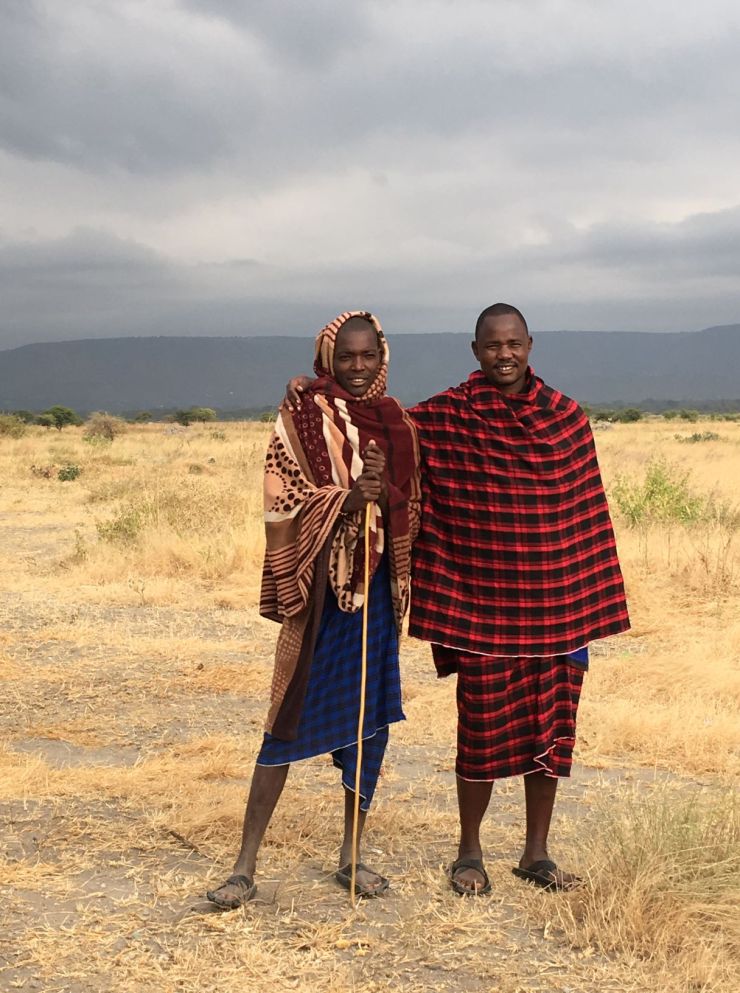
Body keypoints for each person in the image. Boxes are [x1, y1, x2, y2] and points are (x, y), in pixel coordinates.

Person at [285, 302, 630, 897]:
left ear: (530, 345)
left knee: (552, 729)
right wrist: (315, 395)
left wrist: (582, 596)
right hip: (484, 608)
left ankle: (536, 853)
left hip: (557, 607)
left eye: (514, 343)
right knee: (481, 731)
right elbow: (381, 429)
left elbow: (584, 515)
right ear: (476, 352)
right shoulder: (446, 416)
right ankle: (469, 853)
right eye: (493, 345)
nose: (505, 354)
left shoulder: (566, 418)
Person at [206, 311, 421, 909]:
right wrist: (348, 500)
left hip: (375, 595)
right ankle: (244, 866)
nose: (357, 369)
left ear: (383, 356)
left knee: (368, 721)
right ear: (327, 358)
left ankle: (351, 856)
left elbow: (414, 501)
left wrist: (386, 494)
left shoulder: (399, 423)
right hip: (323, 596)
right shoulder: (300, 416)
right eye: (345, 358)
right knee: (286, 720)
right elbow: (282, 497)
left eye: (367, 357)